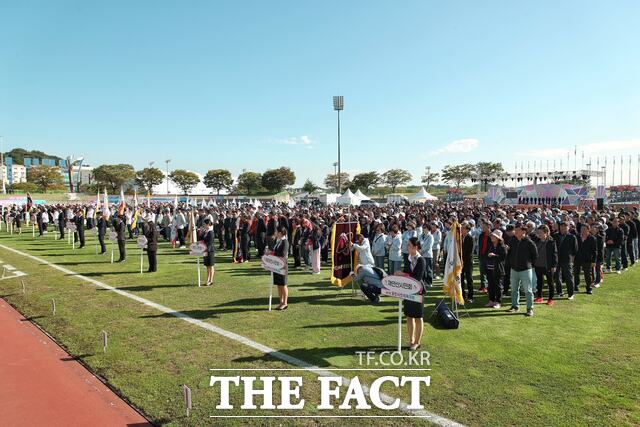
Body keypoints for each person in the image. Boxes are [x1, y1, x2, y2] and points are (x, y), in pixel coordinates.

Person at [507, 223, 538, 317]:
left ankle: (530, 308)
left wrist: (529, 264)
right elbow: (510, 253)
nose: (515, 232)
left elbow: (535, 255)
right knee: (514, 289)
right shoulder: (513, 240)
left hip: (526, 269)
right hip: (514, 269)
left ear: (523, 231)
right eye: (515, 230)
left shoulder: (529, 242)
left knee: (528, 290)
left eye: (517, 230)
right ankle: (515, 306)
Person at [401, 237, 426, 351]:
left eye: (410, 245)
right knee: (409, 316)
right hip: (408, 290)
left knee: (418, 317)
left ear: (415, 247)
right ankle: (411, 340)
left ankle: (417, 341)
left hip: (418, 290)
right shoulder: (408, 258)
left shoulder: (421, 260)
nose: (408, 247)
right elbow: (407, 271)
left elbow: (417, 277)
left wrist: (402, 274)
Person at [533, 225, 557, 305]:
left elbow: (555, 254)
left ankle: (550, 299)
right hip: (538, 265)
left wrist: (554, 265)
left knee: (550, 282)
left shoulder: (551, 241)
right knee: (539, 282)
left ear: (546, 233)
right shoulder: (536, 240)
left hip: (548, 265)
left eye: (541, 232)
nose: (539, 234)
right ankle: (539, 297)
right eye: (538, 232)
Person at [554, 221, 578, 299]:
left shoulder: (572, 237)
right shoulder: (555, 236)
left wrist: (572, 260)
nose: (563, 229)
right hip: (557, 259)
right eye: (561, 227)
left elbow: (575, 250)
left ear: (568, 228)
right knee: (557, 276)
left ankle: (571, 294)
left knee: (568, 277)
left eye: (565, 227)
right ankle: (559, 292)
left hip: (567, 259)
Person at [486, 229, 507, 308]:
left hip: (498, 269)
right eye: (492, 235)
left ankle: (498, 302)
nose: (492, 237)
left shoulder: (502, 246)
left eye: (494, 236)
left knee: (498, 286)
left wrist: (494, 255)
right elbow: (486, 255)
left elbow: (503, 257)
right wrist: (488, 255)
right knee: (490, 285)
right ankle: (491, 300)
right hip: (490, 268)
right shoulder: (491, 245)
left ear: (498, 238)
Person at [575, 223, 597, 295]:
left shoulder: (592, 238)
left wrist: (594, 261)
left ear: (588, 229)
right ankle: (576, 286)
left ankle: (589, 288)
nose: (583, 230)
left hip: (587, 259)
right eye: (581, 229)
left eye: (584, 229)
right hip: (577, 258)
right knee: (576, 273)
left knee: (587, 274)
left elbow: (595, 251)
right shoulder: (577, 237)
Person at [272, 226, 289, 310]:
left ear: (280, 233)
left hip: (282, 265)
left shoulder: (285, 241)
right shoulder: (278, 241)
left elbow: (283, 253)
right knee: (279, 284)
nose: (275, 233)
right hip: (276, 264)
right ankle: (281, 302)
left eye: (276, 232)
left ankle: (285, 303)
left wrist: (273, 253)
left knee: (283, 284)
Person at [461, 222, 475, 303]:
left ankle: (471, 296)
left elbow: (470, 252)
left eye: (463, 228)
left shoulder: (470, 238)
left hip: (468, 262)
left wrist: (463, 259)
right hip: (461, 262)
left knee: (469, 279)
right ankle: (462, 295)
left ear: (467, 229)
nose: (462, 229)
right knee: (461, 278)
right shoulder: (460, 237)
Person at [202, 218, 215, 285]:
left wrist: (207, 250)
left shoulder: (211, 232)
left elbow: (210, 243)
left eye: (204, 224)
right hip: (205, 250)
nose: (204, 225)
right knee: (207, 266)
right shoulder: (206, 231)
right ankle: (208, 279)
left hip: (210, 251)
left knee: (211, 265)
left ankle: (211, 280)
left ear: (207, 224)